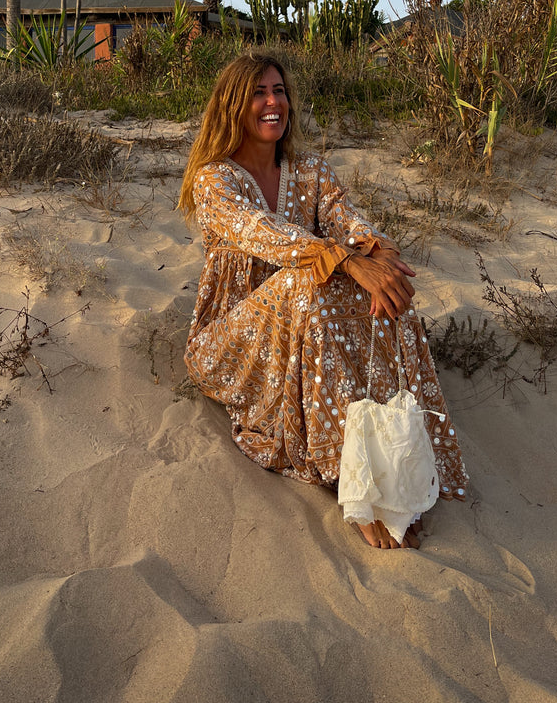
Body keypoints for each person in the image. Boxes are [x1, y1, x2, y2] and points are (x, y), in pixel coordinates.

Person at [179, 53, 468, 549]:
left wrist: (374, 252)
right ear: (233, 105)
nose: (274, 103)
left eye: (280, 91)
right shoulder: (214, 179)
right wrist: (346, 259)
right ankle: (352, 480)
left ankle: (400, 464)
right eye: (258, 93)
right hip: (229, 344)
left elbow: (347, 220)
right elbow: (264, 234)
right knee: (305, 282)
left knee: (385, 284)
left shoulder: (310, 171)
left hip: (301, 327)